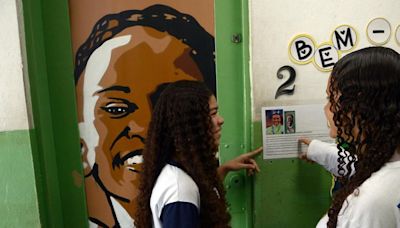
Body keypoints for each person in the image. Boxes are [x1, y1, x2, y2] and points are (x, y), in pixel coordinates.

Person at [74, 4, 217, 227]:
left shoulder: (172, 178)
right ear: (82, 142)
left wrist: (223, 171)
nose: (144, 127)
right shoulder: (180, 190)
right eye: (116, 110)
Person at [134, 80, 262, 228]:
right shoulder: (180, 192)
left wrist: (224, 169)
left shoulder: (178, 173)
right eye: (213, 114)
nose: (220, 120)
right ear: (190, 125)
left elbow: (201, 197)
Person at [299, 46, 400, 227]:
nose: (326, 108)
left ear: (359, 108)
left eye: (331, 99)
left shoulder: (370, 202)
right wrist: (316, 150)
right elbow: (355, 164)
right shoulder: (386, 166)